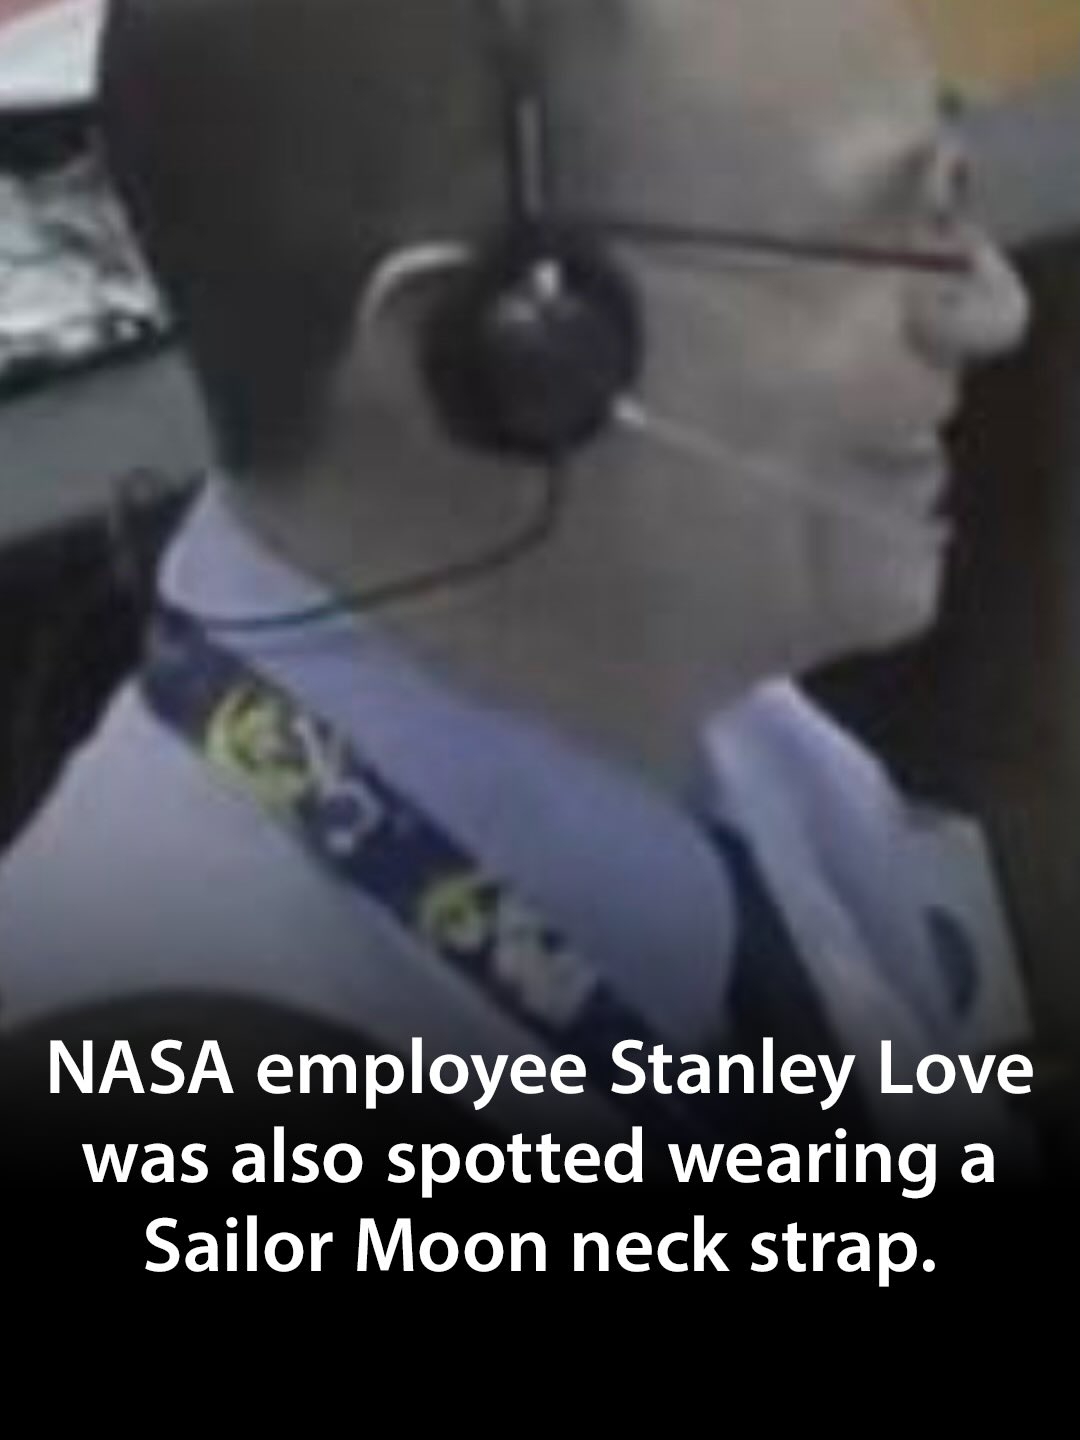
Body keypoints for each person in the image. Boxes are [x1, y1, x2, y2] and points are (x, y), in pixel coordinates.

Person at [0, 0, 1038, 1154]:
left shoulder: (732, 741)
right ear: (493, 362)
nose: (995, 309)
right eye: (869, 243)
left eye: (947, 196)